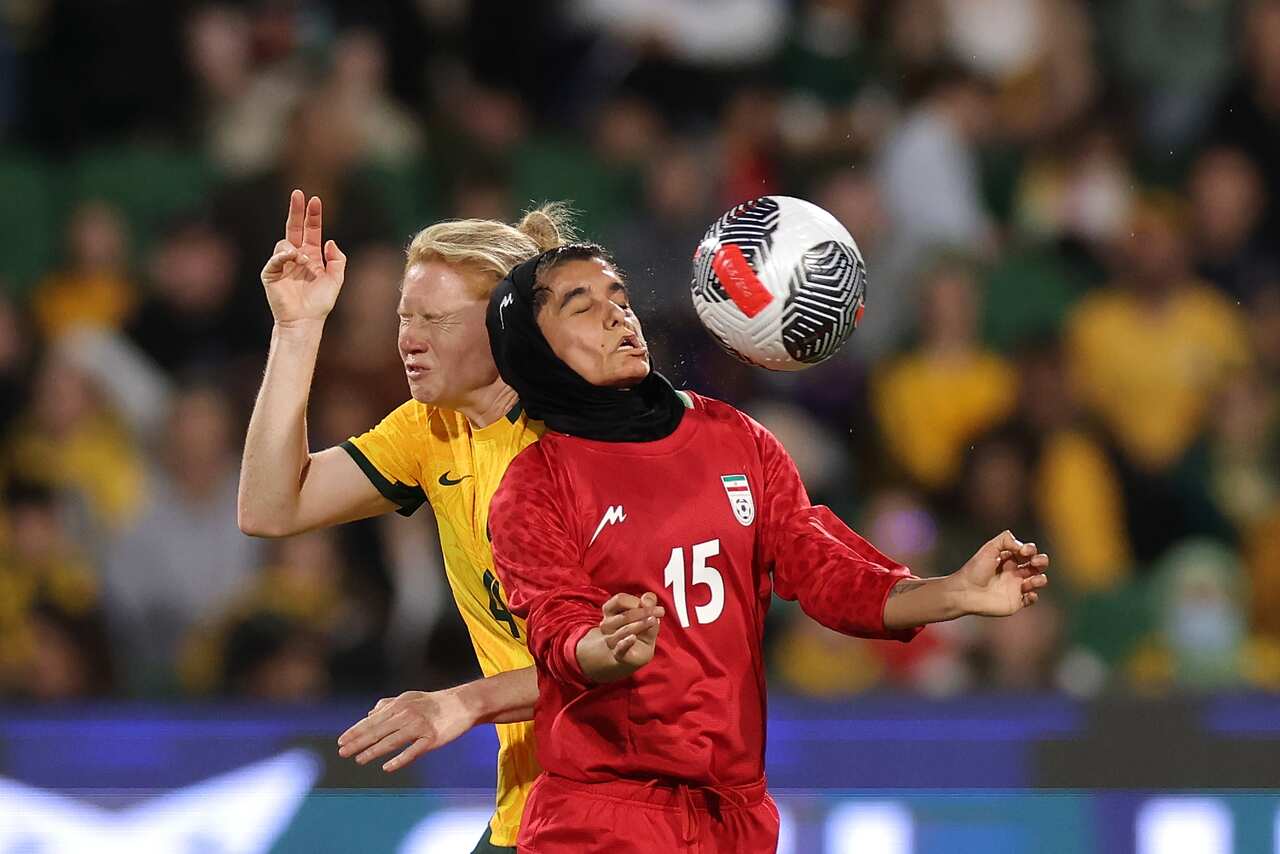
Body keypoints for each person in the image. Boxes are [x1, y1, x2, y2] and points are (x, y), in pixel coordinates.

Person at [485, 244, 1051, 853]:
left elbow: (830, 573)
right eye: (582, 305)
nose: (617, 314)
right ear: (533, 350)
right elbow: (558, 629)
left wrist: (955, 592)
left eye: (619, 297)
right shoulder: (536, 484)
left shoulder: (736, 439)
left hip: (738, 820)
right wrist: (605, 647)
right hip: (604, 818)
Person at [237, 190, 573, 853]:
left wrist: (460, 702)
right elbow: (270, 508)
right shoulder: (432, 428)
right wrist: (298, 330)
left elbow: (634, 654)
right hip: (530, 813)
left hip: (634, 803)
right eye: (404, 317)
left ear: (509, 326)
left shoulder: (587, 443)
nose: (409, 341)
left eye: (438, 320)